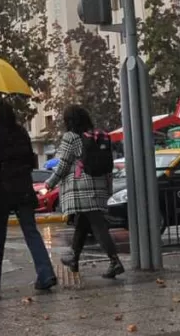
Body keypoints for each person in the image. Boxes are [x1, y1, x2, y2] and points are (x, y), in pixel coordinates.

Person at [0, 98, 57, 291]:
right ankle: (46, 273)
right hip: (23, 188)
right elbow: (30, 160)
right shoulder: (21, 131)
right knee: (31, 232)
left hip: (1, 190)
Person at [45, 105, 124, 279]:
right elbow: (108, 166)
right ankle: (74, 258)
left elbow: (64, 164)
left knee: (97, 224)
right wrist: (108, 188)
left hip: (81, 188)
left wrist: (50, 183)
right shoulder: (96, 136)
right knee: (83, 221)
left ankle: (114, 261)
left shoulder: (71, 137)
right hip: (98, 185)